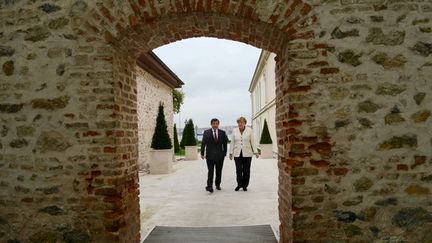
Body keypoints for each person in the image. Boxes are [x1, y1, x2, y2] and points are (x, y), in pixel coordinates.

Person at [229, 117, 258, 191]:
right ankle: (239, 184)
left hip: (247, 153)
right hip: (237, 153)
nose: (240, 124)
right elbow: (232, 142)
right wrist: (230, 153)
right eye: (239, 122)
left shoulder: (249, 130)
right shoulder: (234, 130)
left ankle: (245, 185)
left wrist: (256, 151)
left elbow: (253, 141)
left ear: (245, 123)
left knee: (246, 170)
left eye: (242, 122)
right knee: (238, 170)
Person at [201, 118, 228, 193]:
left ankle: (217, 184)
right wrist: (202, 153)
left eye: (216, 123)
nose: (215, 125)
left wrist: (224, 154)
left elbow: (225, 144)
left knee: (219, 171)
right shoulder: (206, 132)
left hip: (220, 156)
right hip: (209, 156)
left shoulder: (222, 133)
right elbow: (203, 143)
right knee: (210, 171)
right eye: (213, 123)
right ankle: (209, 186)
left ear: (218, 124)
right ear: (211, 124)